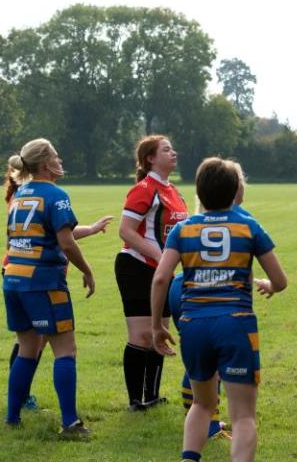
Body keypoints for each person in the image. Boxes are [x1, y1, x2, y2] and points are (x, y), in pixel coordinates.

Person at [152, 157, 287, 462]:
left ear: (199, 191)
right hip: (235, 324)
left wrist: (156, 326)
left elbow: (161, 278)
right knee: (242, 417)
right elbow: (280, 280)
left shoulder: (183, 230)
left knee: (202, 404)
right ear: (236, 190)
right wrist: (269, 285)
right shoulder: (248, 227)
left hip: (193, 324)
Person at [2, 138, 95, 435]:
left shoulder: (19, 195)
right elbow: (65, 241)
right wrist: (87, 270)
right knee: (65, 350)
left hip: (13, 278)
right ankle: (70, 422)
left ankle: (12, 417)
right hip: (43, 282)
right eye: (56, 156)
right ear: (45, 164)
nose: (60, 160)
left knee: (28, 348)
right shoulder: (56, 195)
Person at [116, 135, 188, 410]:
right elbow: (125, 231)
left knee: (160, 333)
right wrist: (160, 256)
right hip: (135, 267)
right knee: (142, 336)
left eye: (172, 148)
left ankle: (152, 396)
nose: (173, 152)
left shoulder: (173, 191)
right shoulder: (144, 188)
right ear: (150, 158)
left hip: (163, 271)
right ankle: (135, 400)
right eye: (166, 149)